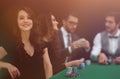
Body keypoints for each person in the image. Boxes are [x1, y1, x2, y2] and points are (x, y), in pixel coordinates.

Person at [12, 7, 52, 79]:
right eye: (21, 18)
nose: (26, 21)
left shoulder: (41, 43)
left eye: (29, 18)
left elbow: (47, 65)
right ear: (16, 21)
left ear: (33, 21)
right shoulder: (11, 44)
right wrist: (6, 65)